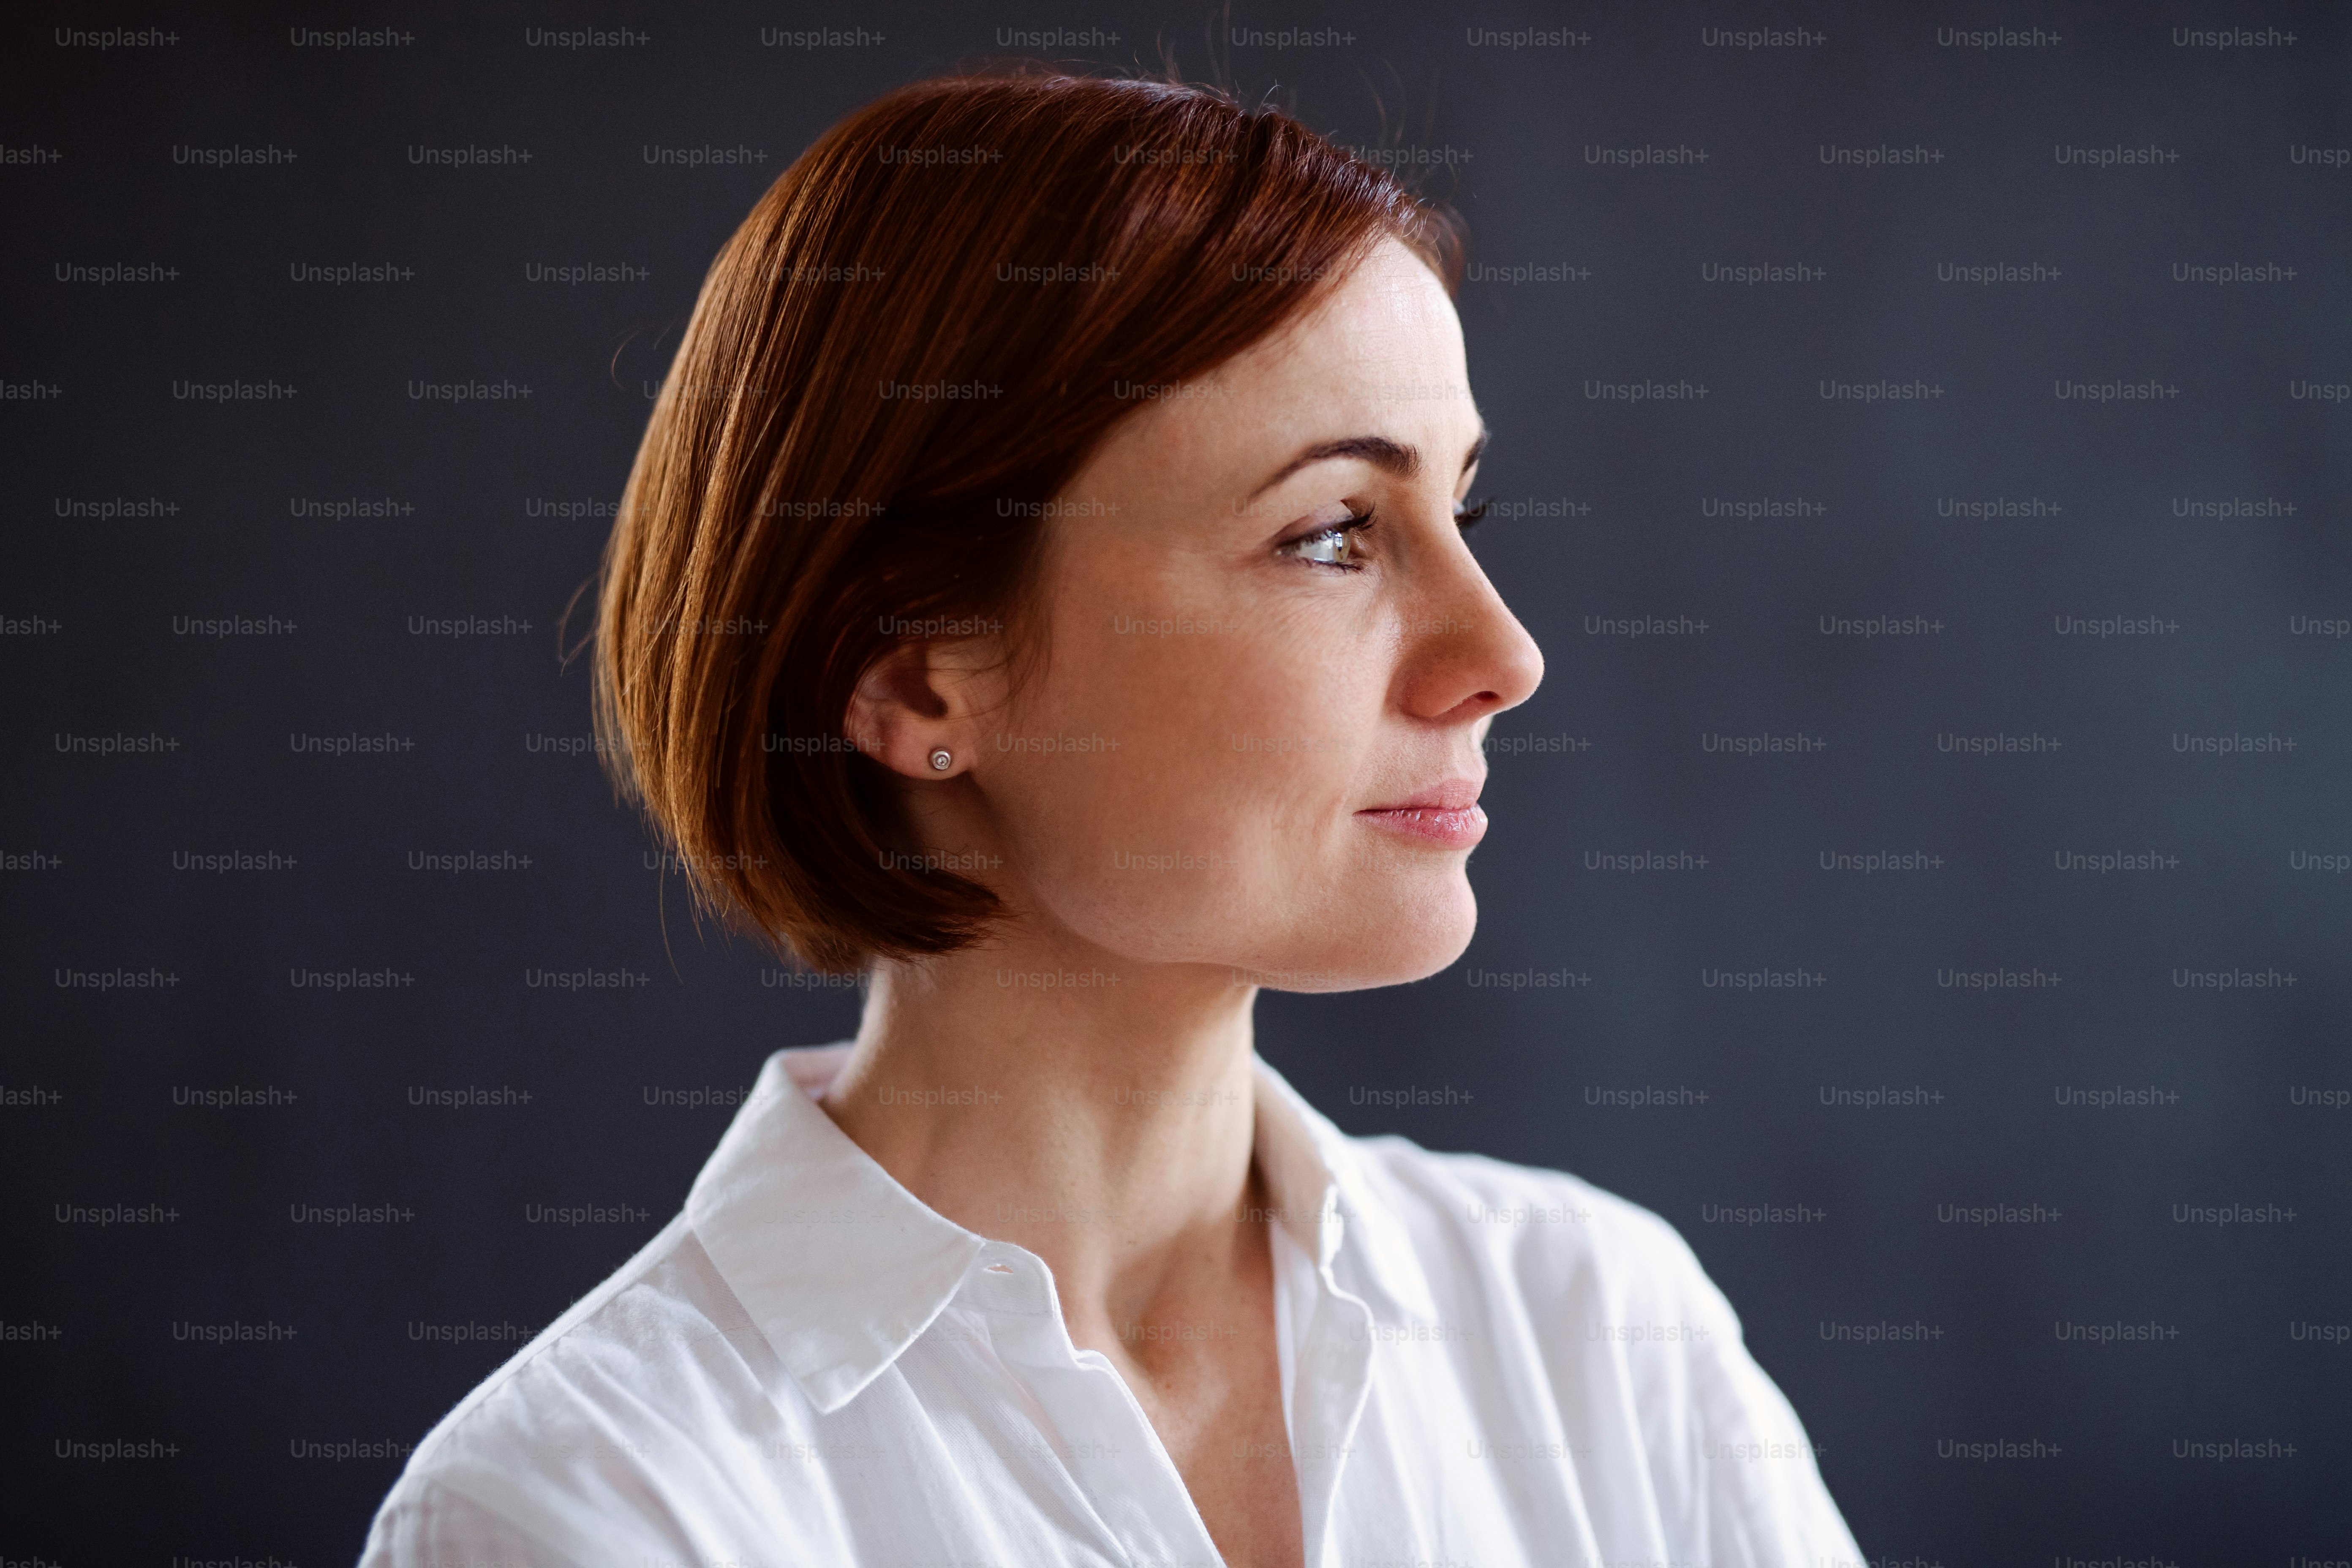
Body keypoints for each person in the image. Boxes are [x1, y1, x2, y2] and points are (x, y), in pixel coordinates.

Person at [363, 66, 1861, 1568]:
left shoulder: (1602, 1336)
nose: (1506, 658)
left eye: (1457, 516)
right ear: (915, 676)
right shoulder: (586, 1513)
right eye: (1333, 533)